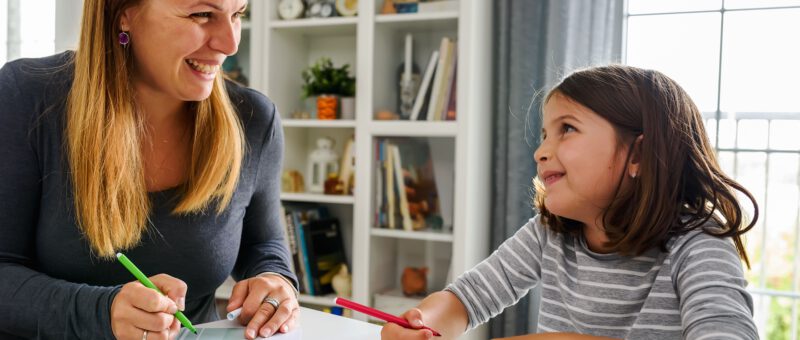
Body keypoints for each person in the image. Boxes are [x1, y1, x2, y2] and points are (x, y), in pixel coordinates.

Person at [381, 65, 760, 340]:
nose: (541, 151)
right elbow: (467, 298)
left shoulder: (698, 244)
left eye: (567, 129)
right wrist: (424, 324)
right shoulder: (551, 232)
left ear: (638, 156)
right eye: (545, 134)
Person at [0, 0, 299, 339]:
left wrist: (275, 282)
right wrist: (102, 312)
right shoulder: (24, 97)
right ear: (123, 13)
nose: (230, 44)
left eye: (238, 14)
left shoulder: (254, 119)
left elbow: (264, 246)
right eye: (201, 14)